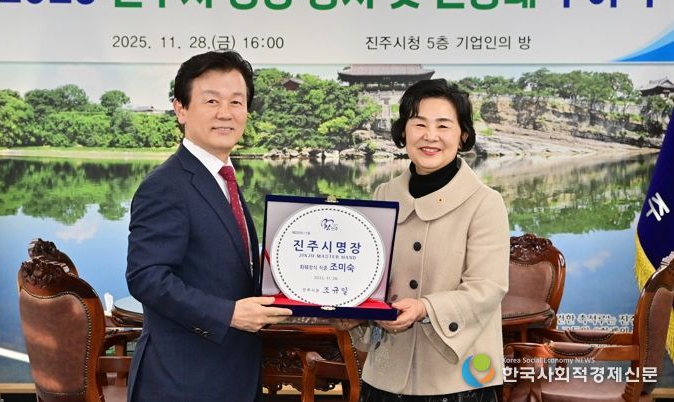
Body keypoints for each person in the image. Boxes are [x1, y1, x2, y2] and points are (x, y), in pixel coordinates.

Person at [125, 50, 292, 402]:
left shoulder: (222, 177)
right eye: (212, 101)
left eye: (237, 102)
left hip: (233, 376)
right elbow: (146, 277)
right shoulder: (166, 185)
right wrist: (228, 314)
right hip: (182, 382)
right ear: (181, 109)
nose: (225, 113)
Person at [335, 78, 509, 402]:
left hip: (458, 380)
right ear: (403, 132)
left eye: (443, 125)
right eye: (419, 124)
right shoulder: (383, 195)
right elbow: (370, 278)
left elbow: (487, 287)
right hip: (385, 376)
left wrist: (424, 308)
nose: (430, 136)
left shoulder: (485, 202)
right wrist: (356, 308)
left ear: (463, 135)